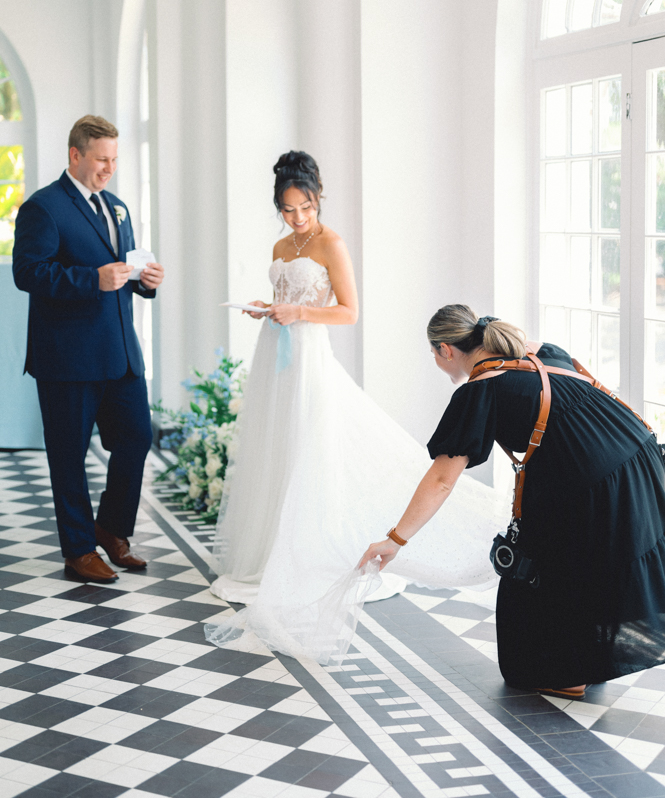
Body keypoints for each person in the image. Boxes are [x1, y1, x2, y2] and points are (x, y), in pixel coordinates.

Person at [205, 153, 507, 662]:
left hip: (308, 356)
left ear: (318, 197)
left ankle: (308, 551)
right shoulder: (281, 244)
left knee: (311, 446)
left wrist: (297, 310)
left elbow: (348, 311)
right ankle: (266, 552)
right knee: (274, 445)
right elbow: (287, 291)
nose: (296, 218)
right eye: (287, 209)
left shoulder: (332, 244)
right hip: (275, 354)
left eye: (304, 207)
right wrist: (269, 307)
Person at [359, 305, 665, 697]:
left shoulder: (481, 389)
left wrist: (395, 540)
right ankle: (585, 663)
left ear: (446, 351)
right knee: (584, 563)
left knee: (537, 571)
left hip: (593, 479)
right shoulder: (537, 350)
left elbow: (440, 480)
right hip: (637, 455)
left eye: (434, 354)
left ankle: (567, 674)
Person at [12, 115, 165, 584]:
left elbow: (122, 271)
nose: (109, 169)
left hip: (120, 353)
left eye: (115, 160)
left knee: (138, 436)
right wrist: (89, 279)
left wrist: (146, 282)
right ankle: (78, 550)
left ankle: (112, 528)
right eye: (102, 159)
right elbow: (28, 273)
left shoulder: (117, 207)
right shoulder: (44, 208)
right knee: (68, 454)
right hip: (68, 358)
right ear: (75, 155)